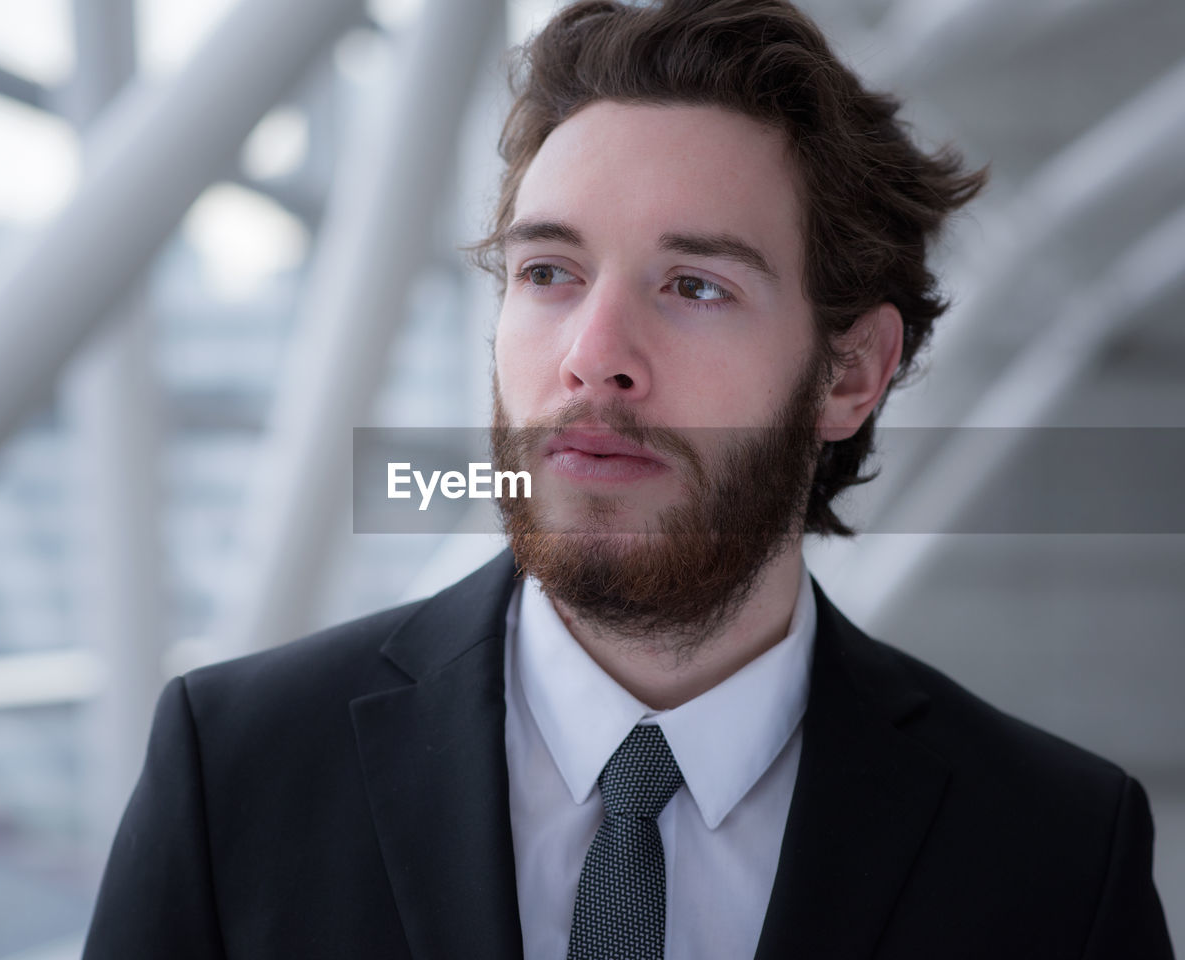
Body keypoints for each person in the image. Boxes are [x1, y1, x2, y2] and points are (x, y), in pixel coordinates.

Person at [82, 1, 1174, 958]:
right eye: (547, 273)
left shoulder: (1053, 853)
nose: (592, 353)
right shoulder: (235, 776)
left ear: (850, 372)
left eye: (693, 286)